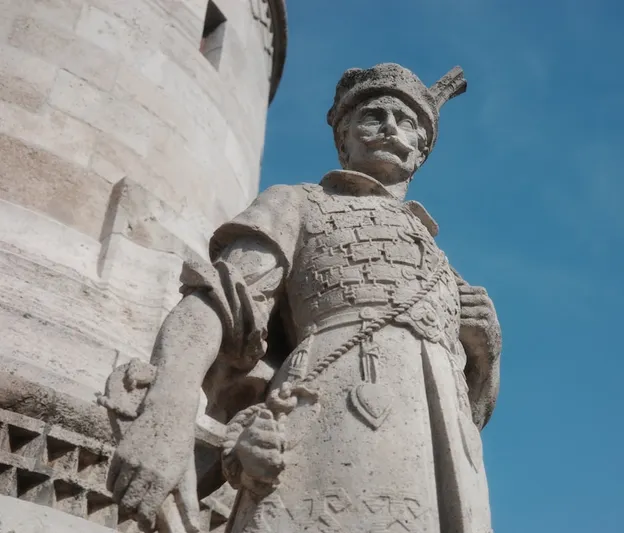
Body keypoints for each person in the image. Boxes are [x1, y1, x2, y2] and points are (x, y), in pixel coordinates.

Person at [107, 63, 502, 533]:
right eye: (375, 115)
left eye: (408, 121)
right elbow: (217, 302)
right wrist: (168, 411)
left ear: (421, 150)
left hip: (443, 467)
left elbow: (469, 408)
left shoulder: (441, 259)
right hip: (331, 424)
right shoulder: (296, 202)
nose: (392, 127)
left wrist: (486, 353)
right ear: (345, 136)